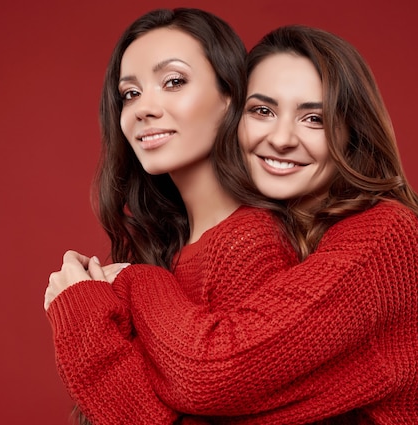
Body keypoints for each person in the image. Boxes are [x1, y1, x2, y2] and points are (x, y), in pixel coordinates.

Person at [47, 21, 418, 425]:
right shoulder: (298, 239)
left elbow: (210, 373)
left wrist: (126, 287)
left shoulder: (383, 238)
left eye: (314, 118)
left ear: (349, 132)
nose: (280, 138)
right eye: (262, 110)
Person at [44, 8, 298, 425]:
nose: (143, 108)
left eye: (174, 81)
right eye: (130, 93)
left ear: (231, 96)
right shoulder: (174, 247)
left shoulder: (250, 242)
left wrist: (82, 324)